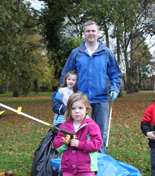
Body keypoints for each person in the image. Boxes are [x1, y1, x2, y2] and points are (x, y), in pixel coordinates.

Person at [59, 20, 122, 154]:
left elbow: (115, 74)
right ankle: (83, 162)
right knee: (81, 132)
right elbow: (66, 75)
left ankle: (101, 160)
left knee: (101, 132)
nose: (91, 33)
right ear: (84, 33)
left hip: (102, 99)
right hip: (81, 101)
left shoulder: (107, 53)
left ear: (98, 33)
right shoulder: (76, 53)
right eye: (88, 31)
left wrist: (115, 89)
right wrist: (64, 92)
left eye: (93, 31)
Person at [53, 92, 102, 176]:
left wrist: (80, 144)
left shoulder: (92, 126)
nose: (77, 111)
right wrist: (64, 142)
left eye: (80, 108)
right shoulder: (64, 126)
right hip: (68, 167)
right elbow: (56, 145)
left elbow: (97, 144)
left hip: (86, 168)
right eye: (73, 108)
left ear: (86, 109)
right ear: (69, 110)